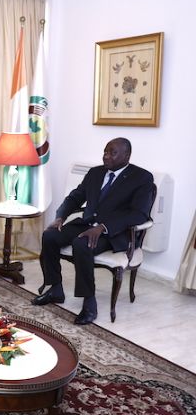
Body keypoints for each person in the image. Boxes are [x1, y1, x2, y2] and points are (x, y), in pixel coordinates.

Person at [32, 138, 154, 325]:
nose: (106, 156)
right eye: (105, 151)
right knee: (50, 235)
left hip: (115, 233)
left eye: (112, 153)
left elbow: (139, 214)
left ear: (127, 155)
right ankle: (55, 289)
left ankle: (89, 303)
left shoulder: (142, 178)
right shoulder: (95, 172)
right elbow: (75, 197)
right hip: (87, 223)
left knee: (82, 243)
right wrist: (60, 217)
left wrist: (103, 227)